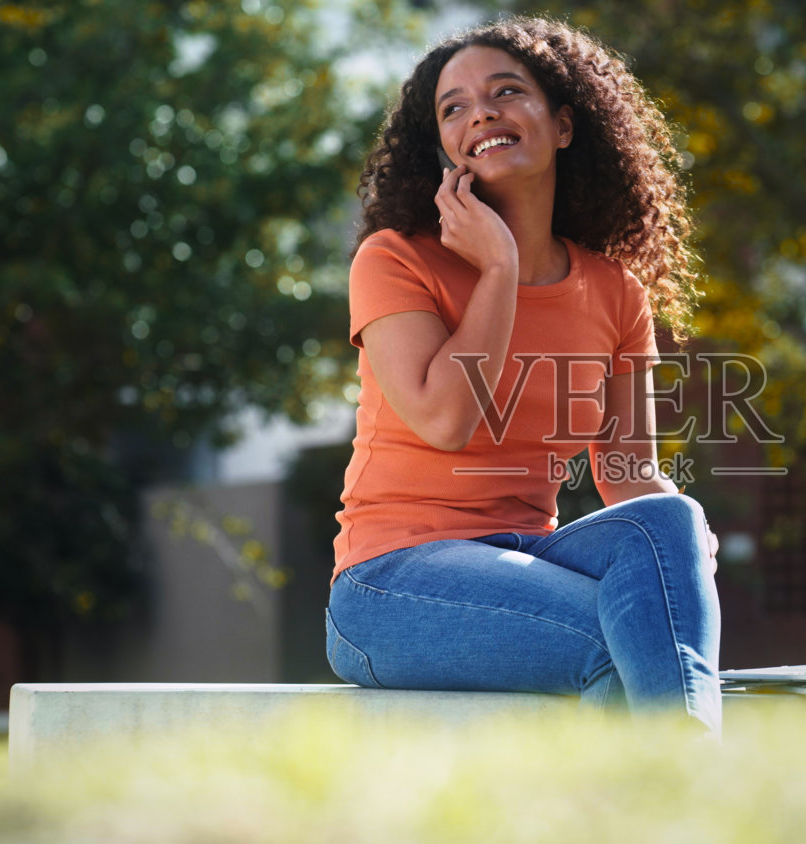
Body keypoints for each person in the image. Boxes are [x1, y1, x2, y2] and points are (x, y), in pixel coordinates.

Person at [323, 16, 723, 735]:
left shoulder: (614, 291)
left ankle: (679, 775)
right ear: (444, 146)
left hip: (525, 557)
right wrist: (499, 268)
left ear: (564, 125)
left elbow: (629, 474)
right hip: (388, 582)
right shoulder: (394, 259)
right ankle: (692, 778)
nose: (480, 113)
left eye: (506, 91)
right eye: (454, 107)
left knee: (670, 521)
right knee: (628, 643)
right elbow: (445, 420)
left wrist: (686, 546)